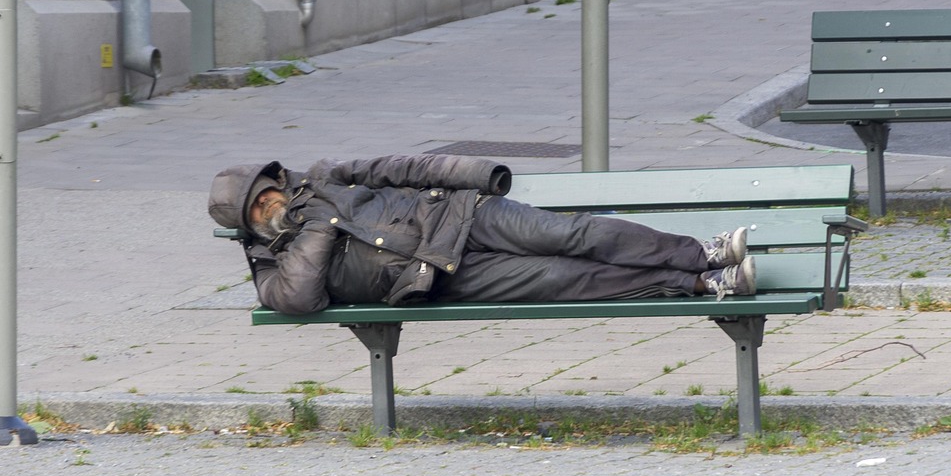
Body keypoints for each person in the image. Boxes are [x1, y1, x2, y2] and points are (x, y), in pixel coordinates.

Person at [208, 154, 756, 315]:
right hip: (436, 276)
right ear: (248, 227)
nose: (269, 205)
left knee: (573, 234)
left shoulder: (325, 177)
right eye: (258, 210)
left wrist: (474, 175)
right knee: (569, 279)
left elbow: (400, 168)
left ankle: (700, 253)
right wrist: (317, 227)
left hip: (457, 214)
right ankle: (705, 286)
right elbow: (301, 298)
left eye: (267, 192)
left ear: (275, 180)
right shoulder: (273, 271)